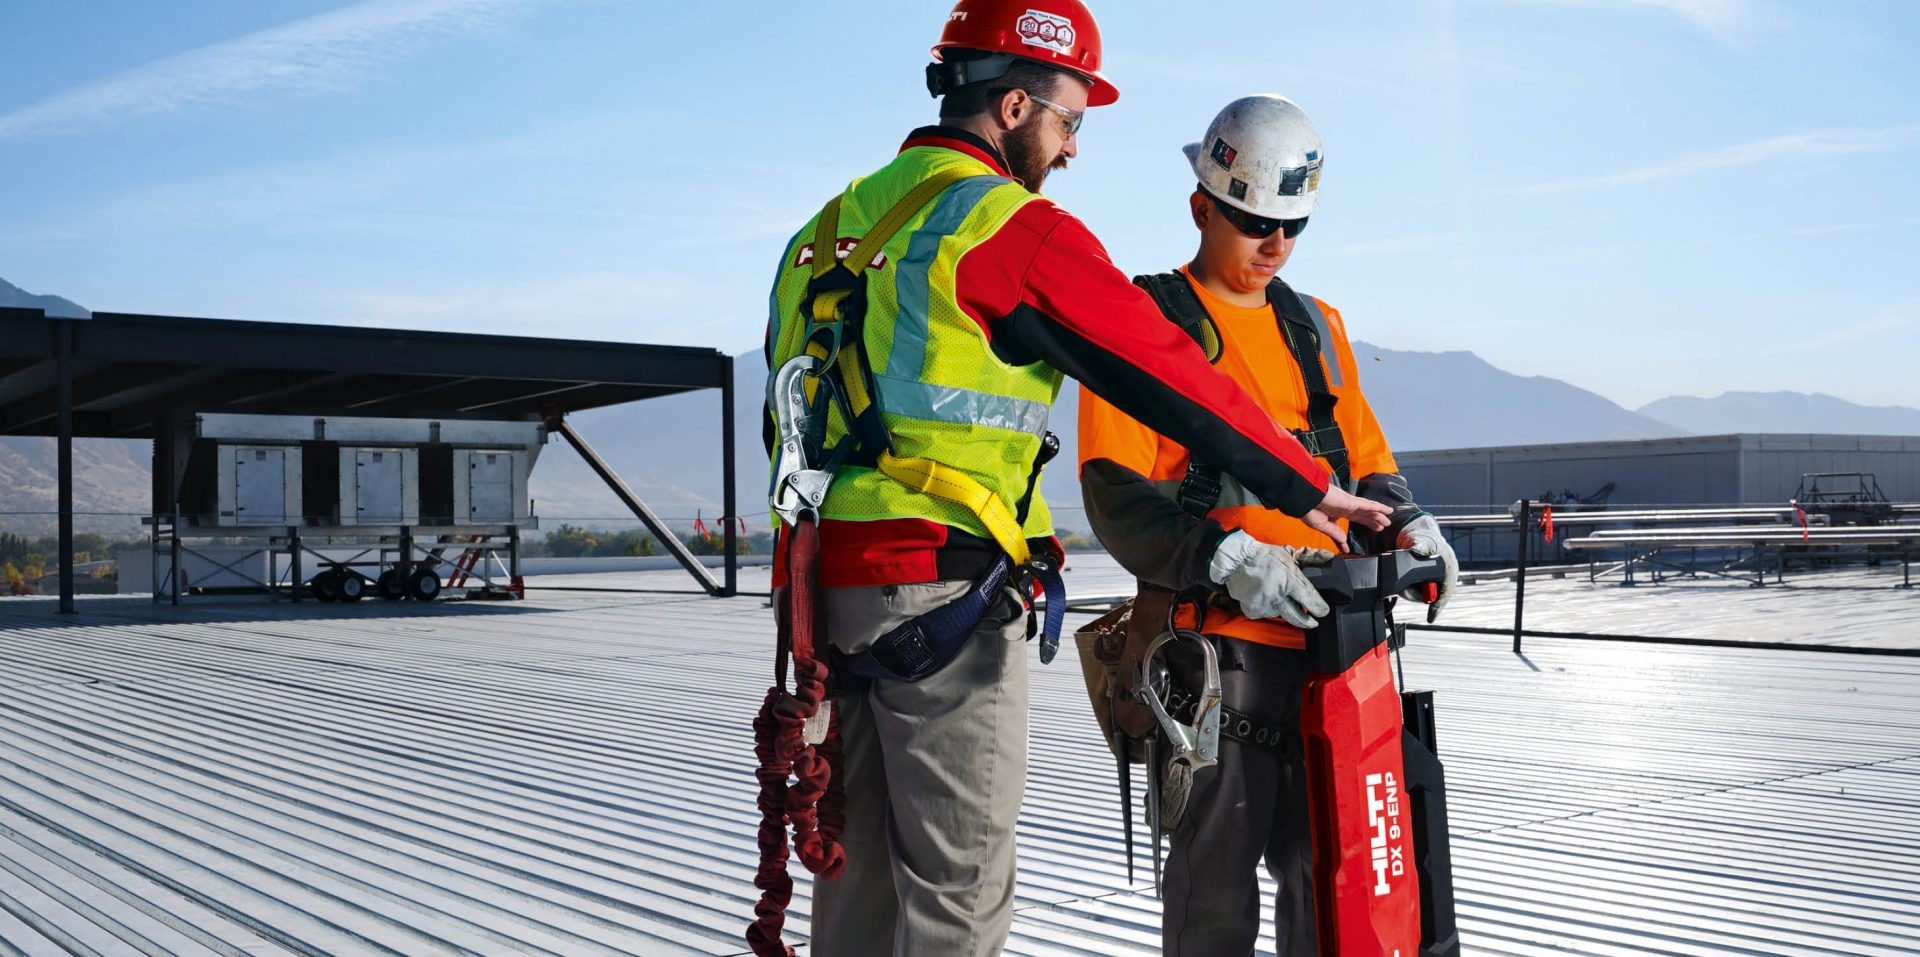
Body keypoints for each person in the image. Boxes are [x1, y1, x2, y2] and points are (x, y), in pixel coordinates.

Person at [760, 4, 1394, 955]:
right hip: (941, 600)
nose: (1070, 149)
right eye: (1070, 122)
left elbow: (790, 422)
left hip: (824, 602)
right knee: (956, 890)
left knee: (854, 882)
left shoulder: (825, 233)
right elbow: (1170, 370)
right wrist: (1316, 489)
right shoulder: (1006, 228)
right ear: (1015, 105)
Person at [1076, 94, 1460, 955]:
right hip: (1220, 665)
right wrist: (1227, 555)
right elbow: (1116, 496)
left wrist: (1409, 526)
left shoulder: (1314, 327)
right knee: (1212, 902)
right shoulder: (1147, 324)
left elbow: (1366, 466)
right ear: (1201, 205)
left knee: (1337, 891)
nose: (1275, 244)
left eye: (1293, 224)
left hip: (1342, 656)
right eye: (1252, 221)